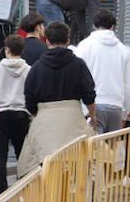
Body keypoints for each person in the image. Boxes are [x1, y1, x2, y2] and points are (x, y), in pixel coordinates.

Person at [18, 21, 97, 172]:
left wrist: (38, 114)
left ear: (47, 41)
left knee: (41, 169)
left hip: (44, 124)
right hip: (73, 122)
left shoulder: (36, 68)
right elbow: (89, 95)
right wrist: (92, 115)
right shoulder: (78, 65)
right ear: (68, 41)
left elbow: (29, 100)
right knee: (80, 166)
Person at [74, 8, 130, 132]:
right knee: (111, 150)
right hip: (116, 107)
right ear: (113, 26)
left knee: (93, 149)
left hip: (92, 107)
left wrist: (83, 109)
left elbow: (77, 78)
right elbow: (129, 87)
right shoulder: (123, 50)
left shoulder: (85, 46)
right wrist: (124, 115)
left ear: (94, 25)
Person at [0, 34, 31, 194]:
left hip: (0, 114)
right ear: (22, 50)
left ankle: (2, 189)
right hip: (21, 114)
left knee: (1, 155)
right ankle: (22, 186)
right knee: (21, 154)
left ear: (7, 50)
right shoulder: (28, 70)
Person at [36, 0, 110, 40]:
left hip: (43, 0)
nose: (104, 0)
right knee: (59, 34)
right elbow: (95, 16)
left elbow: (80, 17)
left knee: (44, 32)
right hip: (51, 3)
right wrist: (98, 36)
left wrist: (87, 35)